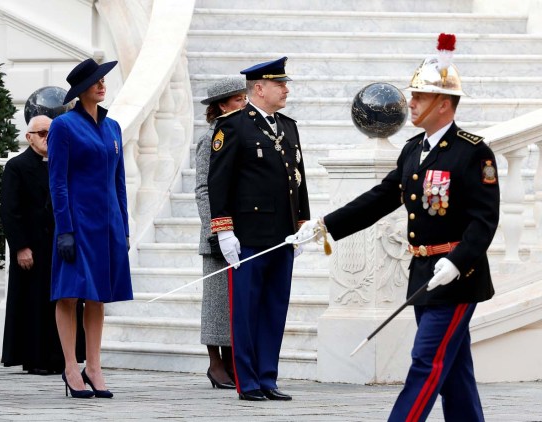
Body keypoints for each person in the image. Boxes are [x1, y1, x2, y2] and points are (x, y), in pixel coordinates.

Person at [295, 34, 499, 421]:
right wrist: (323, 226)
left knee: (425, 361)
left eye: (419, 97)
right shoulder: (412, 150)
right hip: (422, 273)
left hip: (457, 278)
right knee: (453, 369)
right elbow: (379, 199)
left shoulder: (473, 152)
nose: (411, 103)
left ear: (443, 103)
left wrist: (456, 262)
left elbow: (484, 220)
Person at [207, 57, 310, 401]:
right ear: (259, 88)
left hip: (282, 233)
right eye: (280, 84)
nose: (286, 89)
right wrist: (223, 230)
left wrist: (301, 223)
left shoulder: (288, 126)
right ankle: (247, 380)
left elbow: (298, 178)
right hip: (248, 234)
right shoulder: (233, 126)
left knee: (274, 307)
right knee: (247, 310)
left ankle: (268, 376)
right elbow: (218, 182)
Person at [48, 58, 132, 399]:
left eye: (104, 79)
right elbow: (58, 183)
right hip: (77, 223)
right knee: (69, 293)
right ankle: (71, 366)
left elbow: (120, 182)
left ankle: (94, 366)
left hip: (108, 225)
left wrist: (124, 227)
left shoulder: (113, 127)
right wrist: (65, 228)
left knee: (98, 296)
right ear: (81, 90)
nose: (102, 85)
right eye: (96, 80)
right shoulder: (63, 127)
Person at [0, 115, 86, 375]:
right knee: (33, 302)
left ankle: (64, 357)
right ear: (29, 137)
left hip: (61, 245)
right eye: (42, 133)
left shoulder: (65, 163)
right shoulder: (16, 166)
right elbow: (10, 210)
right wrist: (20, 246)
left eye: (52, 133)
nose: (47, 138)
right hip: (32, 247)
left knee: (65, 299)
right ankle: (35, 358)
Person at [196, 76, 247, 390]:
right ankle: (215, 363)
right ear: (222, 105)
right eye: (238, 99)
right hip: (217, 232)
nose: (243, 103)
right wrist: (215, 229)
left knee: (233, 302)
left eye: (243, 98)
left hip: (241, 230)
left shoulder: (242, 133)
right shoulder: (211, 137)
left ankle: (230, 360)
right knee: (215, 302)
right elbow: (203, 188)